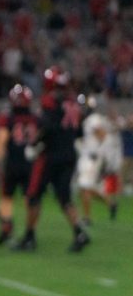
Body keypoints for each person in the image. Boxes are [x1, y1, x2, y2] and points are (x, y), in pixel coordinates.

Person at [16, 67, 89, 252]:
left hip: (51, 155)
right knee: (65, 197)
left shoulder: (50, 100)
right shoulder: (72, 102)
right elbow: (79, 131)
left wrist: (34, 144)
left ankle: (29, 237)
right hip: (69, 154)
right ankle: (79, 232)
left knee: (33, 196)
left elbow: (46, 127)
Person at [0, 83, 40, 246]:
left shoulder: (8, 118)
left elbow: (2, 139)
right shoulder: (35, 118)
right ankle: (30, 232)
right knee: (31, 199)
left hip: (13, 163)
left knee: (6, 197)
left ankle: (6, 227)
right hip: (31, 164)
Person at [74, 95, 119, 226]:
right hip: (88, 156)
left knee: (84, 186)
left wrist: (98, 151)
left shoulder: (93, 119)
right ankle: (110, 203)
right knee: (85, 188)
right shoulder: (89, 119)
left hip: (91, 158)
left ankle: (87, 218)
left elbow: (102, 135)